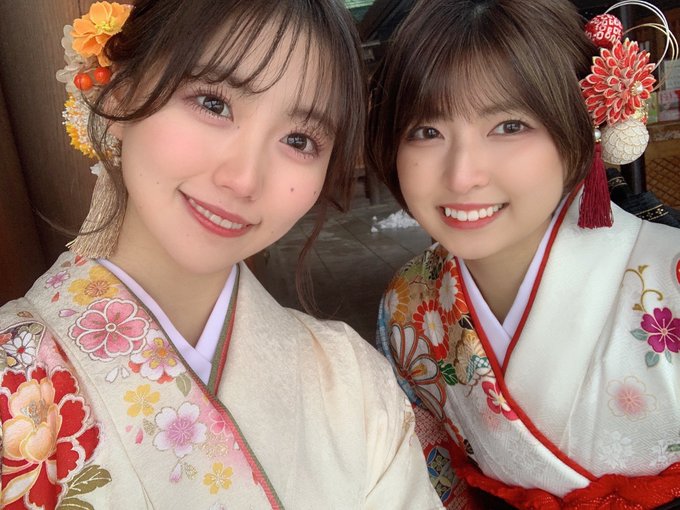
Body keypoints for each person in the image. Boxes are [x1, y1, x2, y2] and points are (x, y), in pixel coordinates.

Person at [0, 1, 443, 508]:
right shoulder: (13, 379)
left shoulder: (354, 382)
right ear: (119, 93)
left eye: (299, 140)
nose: (244, 179)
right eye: (213, 103)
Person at [367, 0, 680, 508]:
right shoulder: (408, 304)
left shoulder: (671, 277)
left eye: (509, 126)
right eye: (426, 132)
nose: (462, 175)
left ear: (579, 128)